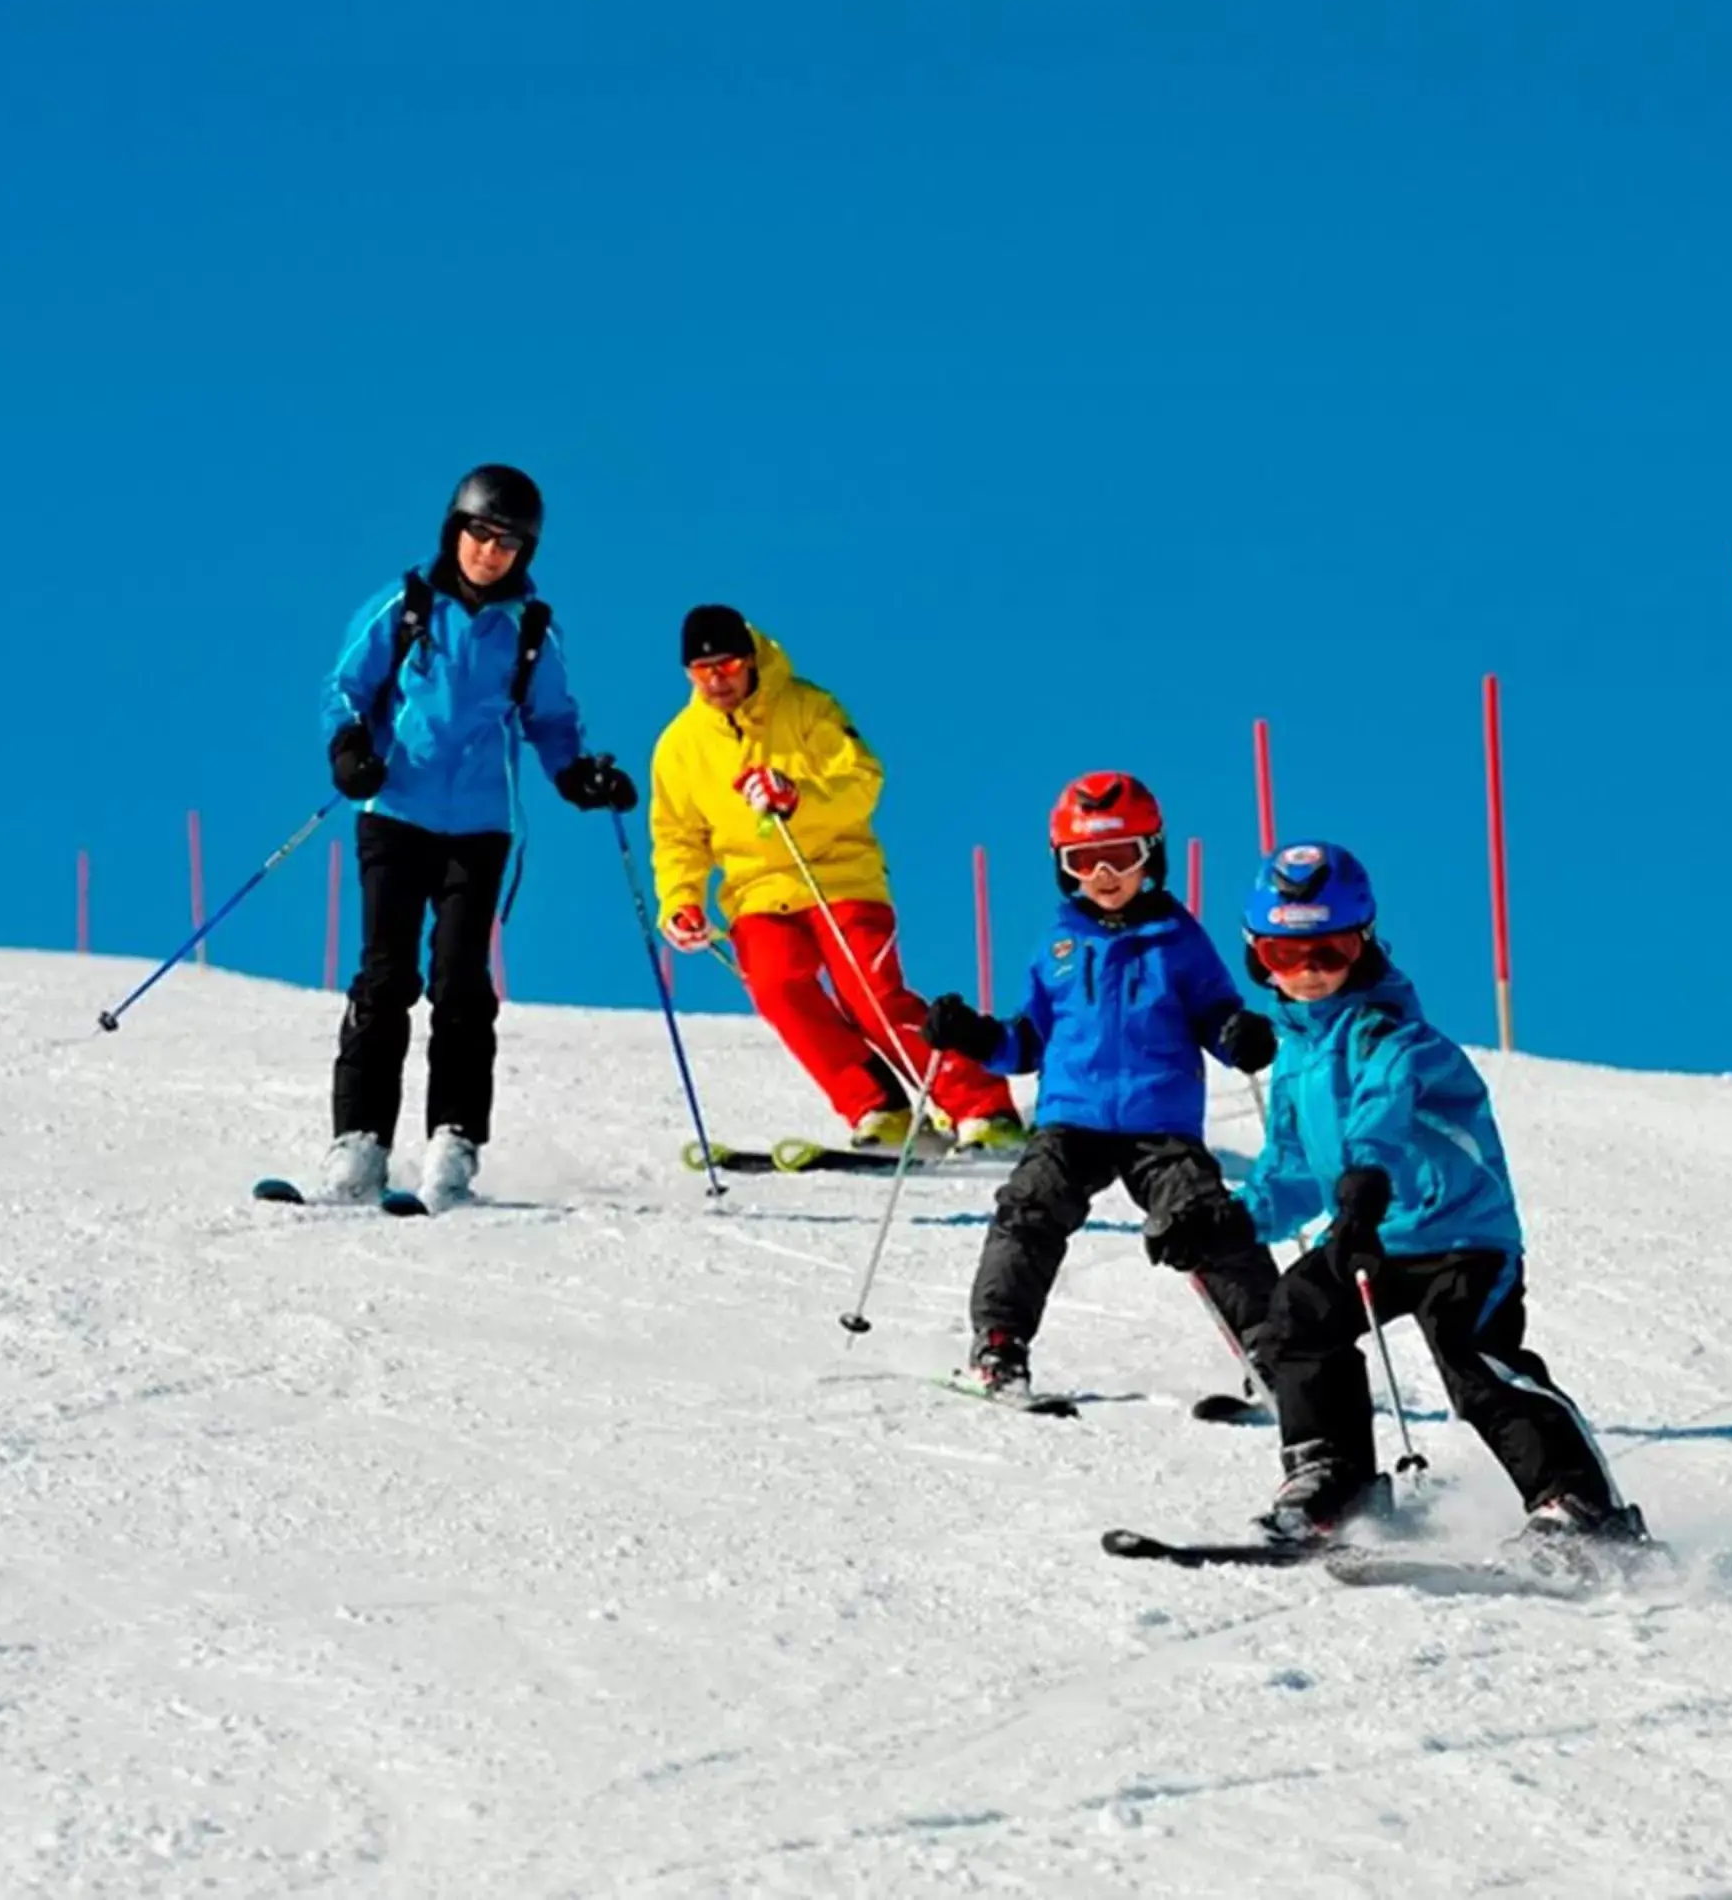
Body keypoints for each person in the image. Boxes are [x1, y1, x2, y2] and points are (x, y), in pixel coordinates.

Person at [1236, 840, 1651, 1558]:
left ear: (1362, 945)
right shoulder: (1296, 1057)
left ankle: (1579, 1507)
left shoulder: (1397, 1036)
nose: (1308, 973)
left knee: (1474, 1360)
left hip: (1461, 1237)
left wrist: (1364, 1191)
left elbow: (1381, 1120)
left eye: (1328, 952)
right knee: (1297, 1319)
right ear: (1256, 954)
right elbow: (1294, 1168)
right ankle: (1333, 1480)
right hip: (1374, 1233)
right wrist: (1233, 1219)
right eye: (1285, 955)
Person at [318, 464, 637, 1206]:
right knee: (386, 976)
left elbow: (551, 722)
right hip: (395, 812)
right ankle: (359, 1146)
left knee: (462, 985)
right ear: (454, 529)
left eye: (510, 543)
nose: (491, 552)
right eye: (481, 534)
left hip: (481, 828)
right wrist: (349, 750)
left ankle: (453, 1146)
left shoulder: (529, 629)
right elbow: (345, 688)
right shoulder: (405, 606)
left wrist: (579, 777)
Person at [920, 772, 1283, 1405]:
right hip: (1072, 1117)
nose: (1106, 874)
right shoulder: (1058, 946)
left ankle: (1276, 1353)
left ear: (1153, 856)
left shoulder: (1179, 940)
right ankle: (999, 1347)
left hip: (1159, 1121)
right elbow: (1027, 1043)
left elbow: (1214, 1013)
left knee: (1207, 1221)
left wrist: (1239, 1034)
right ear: (1065, 867)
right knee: (1029, 1211)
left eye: (1123, 856)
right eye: (1085, 860)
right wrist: (974, 1036)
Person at [648, 604, 1021, 1149]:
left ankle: (983, 1106)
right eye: (702, 673)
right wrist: (680, 901)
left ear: (749, 659)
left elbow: (861, 780)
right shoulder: (680, 747)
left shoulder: (805, 706)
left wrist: (796, 797)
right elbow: (677, 837)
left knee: (870, 996)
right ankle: (878, 1106)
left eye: (726, 667)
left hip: (838, 876)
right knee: (778, 989)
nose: (717, 682)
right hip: (758, 894)